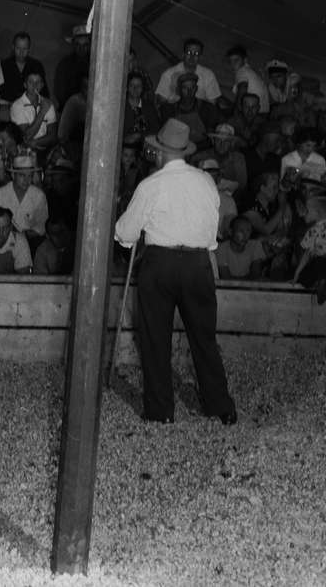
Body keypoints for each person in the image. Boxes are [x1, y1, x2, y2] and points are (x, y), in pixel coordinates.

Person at [114, 118, 237, 425]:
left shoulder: (150, 185)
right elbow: (212, 232)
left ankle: (160, 412)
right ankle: (220, 406)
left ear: (159, 153)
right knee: (204, 337)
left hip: (161, 264)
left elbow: (126, 233)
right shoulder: (206, 182)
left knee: (156, 338)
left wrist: (126, 233)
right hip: (198, 262)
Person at [0, 153, 48, 243]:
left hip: (30, 242)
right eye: (22, 175)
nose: (27, 180)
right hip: (2, 241)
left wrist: (27, 234)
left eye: (30, 176)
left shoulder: (39, 196)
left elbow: (42, 226)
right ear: (13, 175)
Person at [154, 37, 221, 105]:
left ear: (200, 57)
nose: (192, 56)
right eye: (189, 52)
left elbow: (213, 102)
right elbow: (161, 101)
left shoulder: (208, 75)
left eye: (196, 54)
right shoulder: (168, 74)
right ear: (183, 54)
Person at [9, 71, 58, 154]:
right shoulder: (17, 105)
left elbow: (52, 136)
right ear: (25, 85)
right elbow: (27, 136)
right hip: (25, 151)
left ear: (42, 85)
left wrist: (35, 142)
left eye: (38, 82)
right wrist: (42, 112)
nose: (35, 85)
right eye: (31, 82)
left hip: (46, 148)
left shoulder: (48, 104)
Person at [0, 31, 49, 105]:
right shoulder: (4, 65)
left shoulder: (36, 65)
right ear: (13, 47)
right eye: (18, 48)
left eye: (25, 49)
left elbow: (44, 92)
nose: (21, 52)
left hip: (32, 105)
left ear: (29, 49)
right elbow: (0, 91)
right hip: (8, 105)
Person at [215, 216, 266, 280]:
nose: (245, 235)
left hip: (250, 288)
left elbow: (255, 276)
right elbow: (227, 279)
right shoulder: (221, 248)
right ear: (230, 232)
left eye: (248, 230)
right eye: (241, 231)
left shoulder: (255, 245)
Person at [53, 24, 91, 110]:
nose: (81, 49)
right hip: (68, 111)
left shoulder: (95, 65)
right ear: (73, 45)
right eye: (78, 45)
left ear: (89, 46)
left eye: (85, 45)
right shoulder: (64, 64)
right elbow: (59, 93)